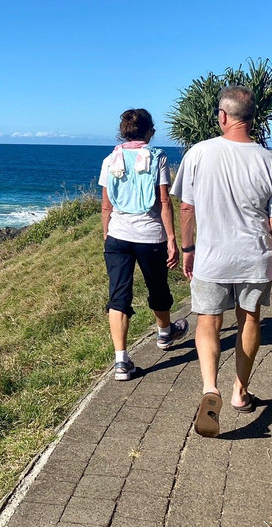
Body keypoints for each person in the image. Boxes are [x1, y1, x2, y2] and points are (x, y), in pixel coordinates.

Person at [170, 86, 272, 437]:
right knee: (249, 319)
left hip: (211, 257)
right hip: (255, 259)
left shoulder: (198, 153)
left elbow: (186, 208)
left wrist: (188, 248)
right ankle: (240, 392)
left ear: (223, 117)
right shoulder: (269, 161)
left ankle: (211, 388)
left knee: (208, 322)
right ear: (254, 117)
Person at [99, 108, 190, 381]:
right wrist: (172, 238)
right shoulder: (158, 157)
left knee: (118, 297)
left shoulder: (109, 159)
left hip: (117, 236)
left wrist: (107, 237)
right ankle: (164, 334)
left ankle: (121, 362)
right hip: (150, 236)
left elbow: (106, 206)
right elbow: (164, 201)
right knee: (158, 286)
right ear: (149, 131)